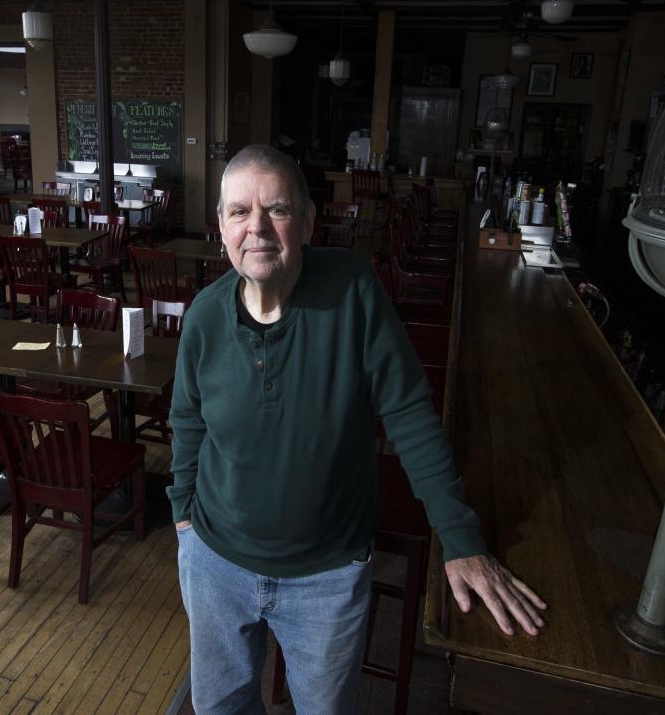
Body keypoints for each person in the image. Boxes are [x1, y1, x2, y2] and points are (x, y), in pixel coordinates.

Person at [169, 144, 545, 714]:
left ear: (309, 221)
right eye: (240, 211)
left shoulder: (352, 289)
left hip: (325, 575)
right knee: (219, 707)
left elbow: (411, 414)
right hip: (217, 562)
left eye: (277, 209)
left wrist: (460, 538)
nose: (258, 228)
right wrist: (183, 520)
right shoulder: (202, 317)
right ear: (220, 225)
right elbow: (187, 421)